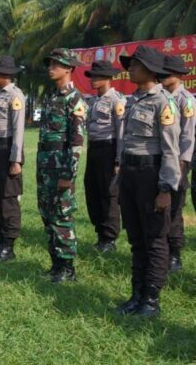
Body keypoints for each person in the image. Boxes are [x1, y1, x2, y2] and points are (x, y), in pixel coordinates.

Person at [115, 46, 180, 317]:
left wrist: (166, 188)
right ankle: (137, 294)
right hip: (130, 174)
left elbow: (171, 149)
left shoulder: (163, 102)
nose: (130, 68)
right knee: (136, 239)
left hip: (150, 175)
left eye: (136, 65)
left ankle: (151, 300)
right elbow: (125, 140)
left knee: (154, 239)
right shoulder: (133, 100)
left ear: (151, 71)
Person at [38, 48, 86, 283]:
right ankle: (56, 265)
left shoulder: (74, 99)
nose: (50, 68)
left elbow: (76, 142)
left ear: (69, 68)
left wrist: (68, 174)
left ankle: (68, 268)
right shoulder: (52, 97)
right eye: (50, 63)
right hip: (45, 166)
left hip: (61, 166)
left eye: (56, 64)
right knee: (47, 215)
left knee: (62, 215)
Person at [0, 56, 25, 261]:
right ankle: (0, 239)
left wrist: (16, 160)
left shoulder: (15, 95)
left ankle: (8, 246)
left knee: (8, 199)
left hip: (7, 148)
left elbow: (18, 130)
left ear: (6, 74)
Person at [83, 61, 125, 253]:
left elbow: (121, 133)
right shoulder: (94, 101)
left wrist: (118, 160)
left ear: (108, 78)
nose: (92, 80)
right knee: (92, 191)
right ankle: (100, 233)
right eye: (92, 76)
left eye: (97, 76)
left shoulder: (116, 100)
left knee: (109, 194)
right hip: (94, 150)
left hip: (109, 150)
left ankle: (109, 238)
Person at [162, 55, 195, 273]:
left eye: (168, 73)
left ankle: (174, 254)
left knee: (175, 208)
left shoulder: (187, 101)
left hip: (178, 162)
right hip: (162, 160)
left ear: (179, 76)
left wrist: (182, 168)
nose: (163, 76)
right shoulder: (161, 97)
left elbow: (188, 138)